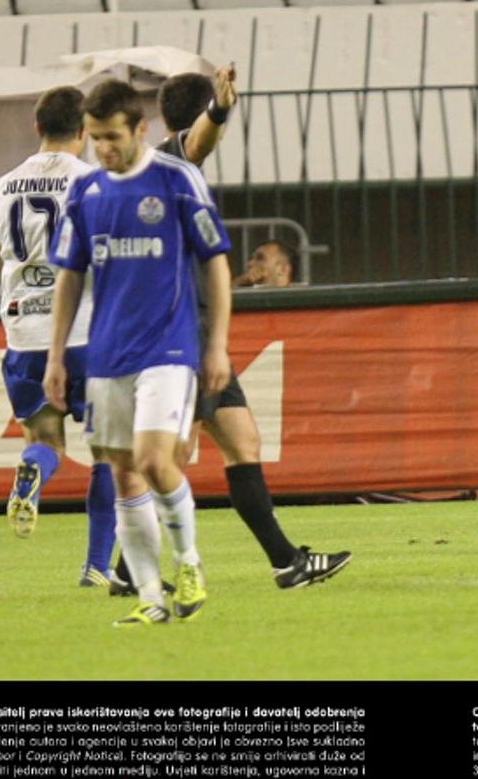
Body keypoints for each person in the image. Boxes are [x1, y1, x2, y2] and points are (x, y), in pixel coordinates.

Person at [151, 67, 351, 594]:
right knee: (171, 457)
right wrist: (219, 109)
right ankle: (132, 570)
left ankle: (287, 563)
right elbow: (200, 140)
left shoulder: (167, 166)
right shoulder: (173, 158)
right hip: (180, 333)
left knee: (244, 442)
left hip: (195, 331)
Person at [46, 79, 230, 626]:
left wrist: (216, 344)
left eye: (112, 136)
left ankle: (190, 563)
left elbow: (216, 262)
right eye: (94, 138)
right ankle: (151, 598)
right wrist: (57, 356)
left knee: (155, 461)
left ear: (140, 129)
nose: (102, 148)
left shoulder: (176, 180)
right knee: (123, 476)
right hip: (106, 355)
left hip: (169, 348)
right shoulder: (85, 193)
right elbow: (68, 278)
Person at [0, 86, 122, 590]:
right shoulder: (96, 183)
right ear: (84, 130)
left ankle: (33, 472)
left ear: (36, 127)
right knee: (108, 453)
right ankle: (96, 565)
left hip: (23, 335)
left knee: (46, 440)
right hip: (88, 336)